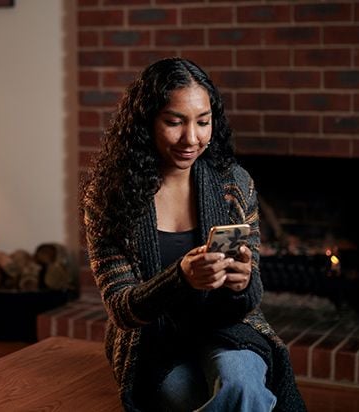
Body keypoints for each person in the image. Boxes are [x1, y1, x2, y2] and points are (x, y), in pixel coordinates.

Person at [81, 57, 306, 412]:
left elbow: (249, 298)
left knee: (242, 385)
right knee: (239, 401)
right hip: (152, 341)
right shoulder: (109, 196)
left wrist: (243, 283)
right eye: (174, 122)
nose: (192, 138)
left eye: (203, 122)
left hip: (226, 327)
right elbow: (122, 310)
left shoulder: (234, 183)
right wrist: (181, 278)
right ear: (146, 122)